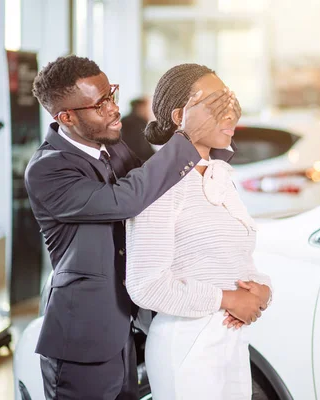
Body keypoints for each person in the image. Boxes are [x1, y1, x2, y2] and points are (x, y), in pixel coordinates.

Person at [25, 55, 238, 400]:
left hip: (127, 326)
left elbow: (164, 188)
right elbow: (127, 199)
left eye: (112, 94)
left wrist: (216, 140)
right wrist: (186, 137)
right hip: (83, 335)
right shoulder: (48, 169)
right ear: (65, 117)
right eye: (100, 104)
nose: (113, 108)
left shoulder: (113, 150)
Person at [125, 63, 272, 400]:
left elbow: (233, 258)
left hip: (230, 340)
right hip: (185, 345)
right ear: (181, 116)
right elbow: (145, 284)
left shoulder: (219, 174)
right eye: (214, 103)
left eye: (229, 102)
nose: (228, 113)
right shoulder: (161, 181)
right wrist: (227, 299)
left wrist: (262, 291)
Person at [121, 96, 156, 162]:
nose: (148, 111)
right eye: (147, 108)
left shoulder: (125, 120)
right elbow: (143, 149)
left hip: (126, 160)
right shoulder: (139, 123)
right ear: (140, 108)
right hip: (138, 162)